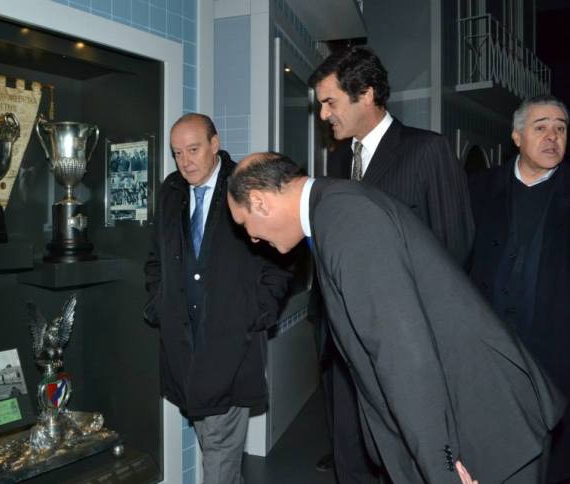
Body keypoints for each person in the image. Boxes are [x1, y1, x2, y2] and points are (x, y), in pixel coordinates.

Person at [226, 152, 565, 484]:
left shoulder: (347, 220)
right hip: (465, 418)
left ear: (259, 201)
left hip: (484, 431)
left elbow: (402, 356)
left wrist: (442, 469)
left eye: (245, 224)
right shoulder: (335, 205)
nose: (252, 237)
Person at [308, 45, 475, 480]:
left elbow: (455, 247)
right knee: (351, 459)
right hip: (344, 348)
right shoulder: (338, 160)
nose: (324, 115)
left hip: (403, 347)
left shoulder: (428, 151)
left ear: (365, 94)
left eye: (330, 102)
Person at [144, 114, 289, 484]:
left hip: (231, 344)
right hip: (184, 347)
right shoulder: (171, 191)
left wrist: (260, 310)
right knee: (213, 445)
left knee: (220, 453)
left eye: (193, 150)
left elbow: (282, 255)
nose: (185, 161)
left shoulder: (246, 185)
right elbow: (155, 258)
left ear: (215, 143)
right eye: (177, 153)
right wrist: (158, 304)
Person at [469, 95, 570, 483]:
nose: (552, 137)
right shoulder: (478, 189)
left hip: (554, 354)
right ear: (516, 137)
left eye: (561, 129)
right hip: (489, 350)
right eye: (541, 127)